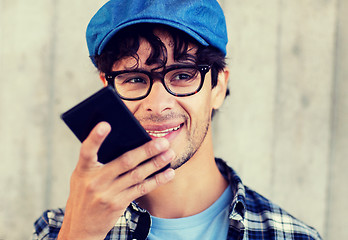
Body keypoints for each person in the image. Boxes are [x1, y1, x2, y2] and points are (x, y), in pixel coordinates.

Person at [32, 0, 322, 239]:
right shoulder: (60, 230)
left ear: (218, 87)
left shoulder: (292, 236)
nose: (157, 105)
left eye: (183, 75)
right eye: (134, 78)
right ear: (108, 91)